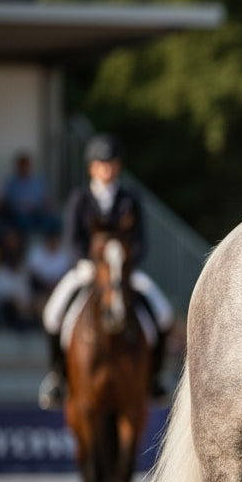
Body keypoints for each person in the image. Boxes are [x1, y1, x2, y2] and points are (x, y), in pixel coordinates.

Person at [38, 133, 174, 408]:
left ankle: (157, 378)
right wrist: (86, 263)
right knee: (52, 314)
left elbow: (140, 241)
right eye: (102, 163)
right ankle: (57, 377)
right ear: (92, 167)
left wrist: (126, 265)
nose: (107, 168)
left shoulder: (130, 199)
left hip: (123, 271)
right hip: (88, 270)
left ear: (118, 166)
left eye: (112, 163)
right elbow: (73, 239)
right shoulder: (79, 199)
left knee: (163, 313)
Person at [0, 151, 54, 236]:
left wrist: (43, 205)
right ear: (18, 167)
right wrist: (21, 206)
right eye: (22, 166)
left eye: (26, 165)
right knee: (23, 220)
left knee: (53, 220)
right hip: (18, 214)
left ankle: (43, 242)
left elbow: (45, 200)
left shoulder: (38, 181)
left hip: (37, 213)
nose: (24, 168)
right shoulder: (12, 183)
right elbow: (8, 201)